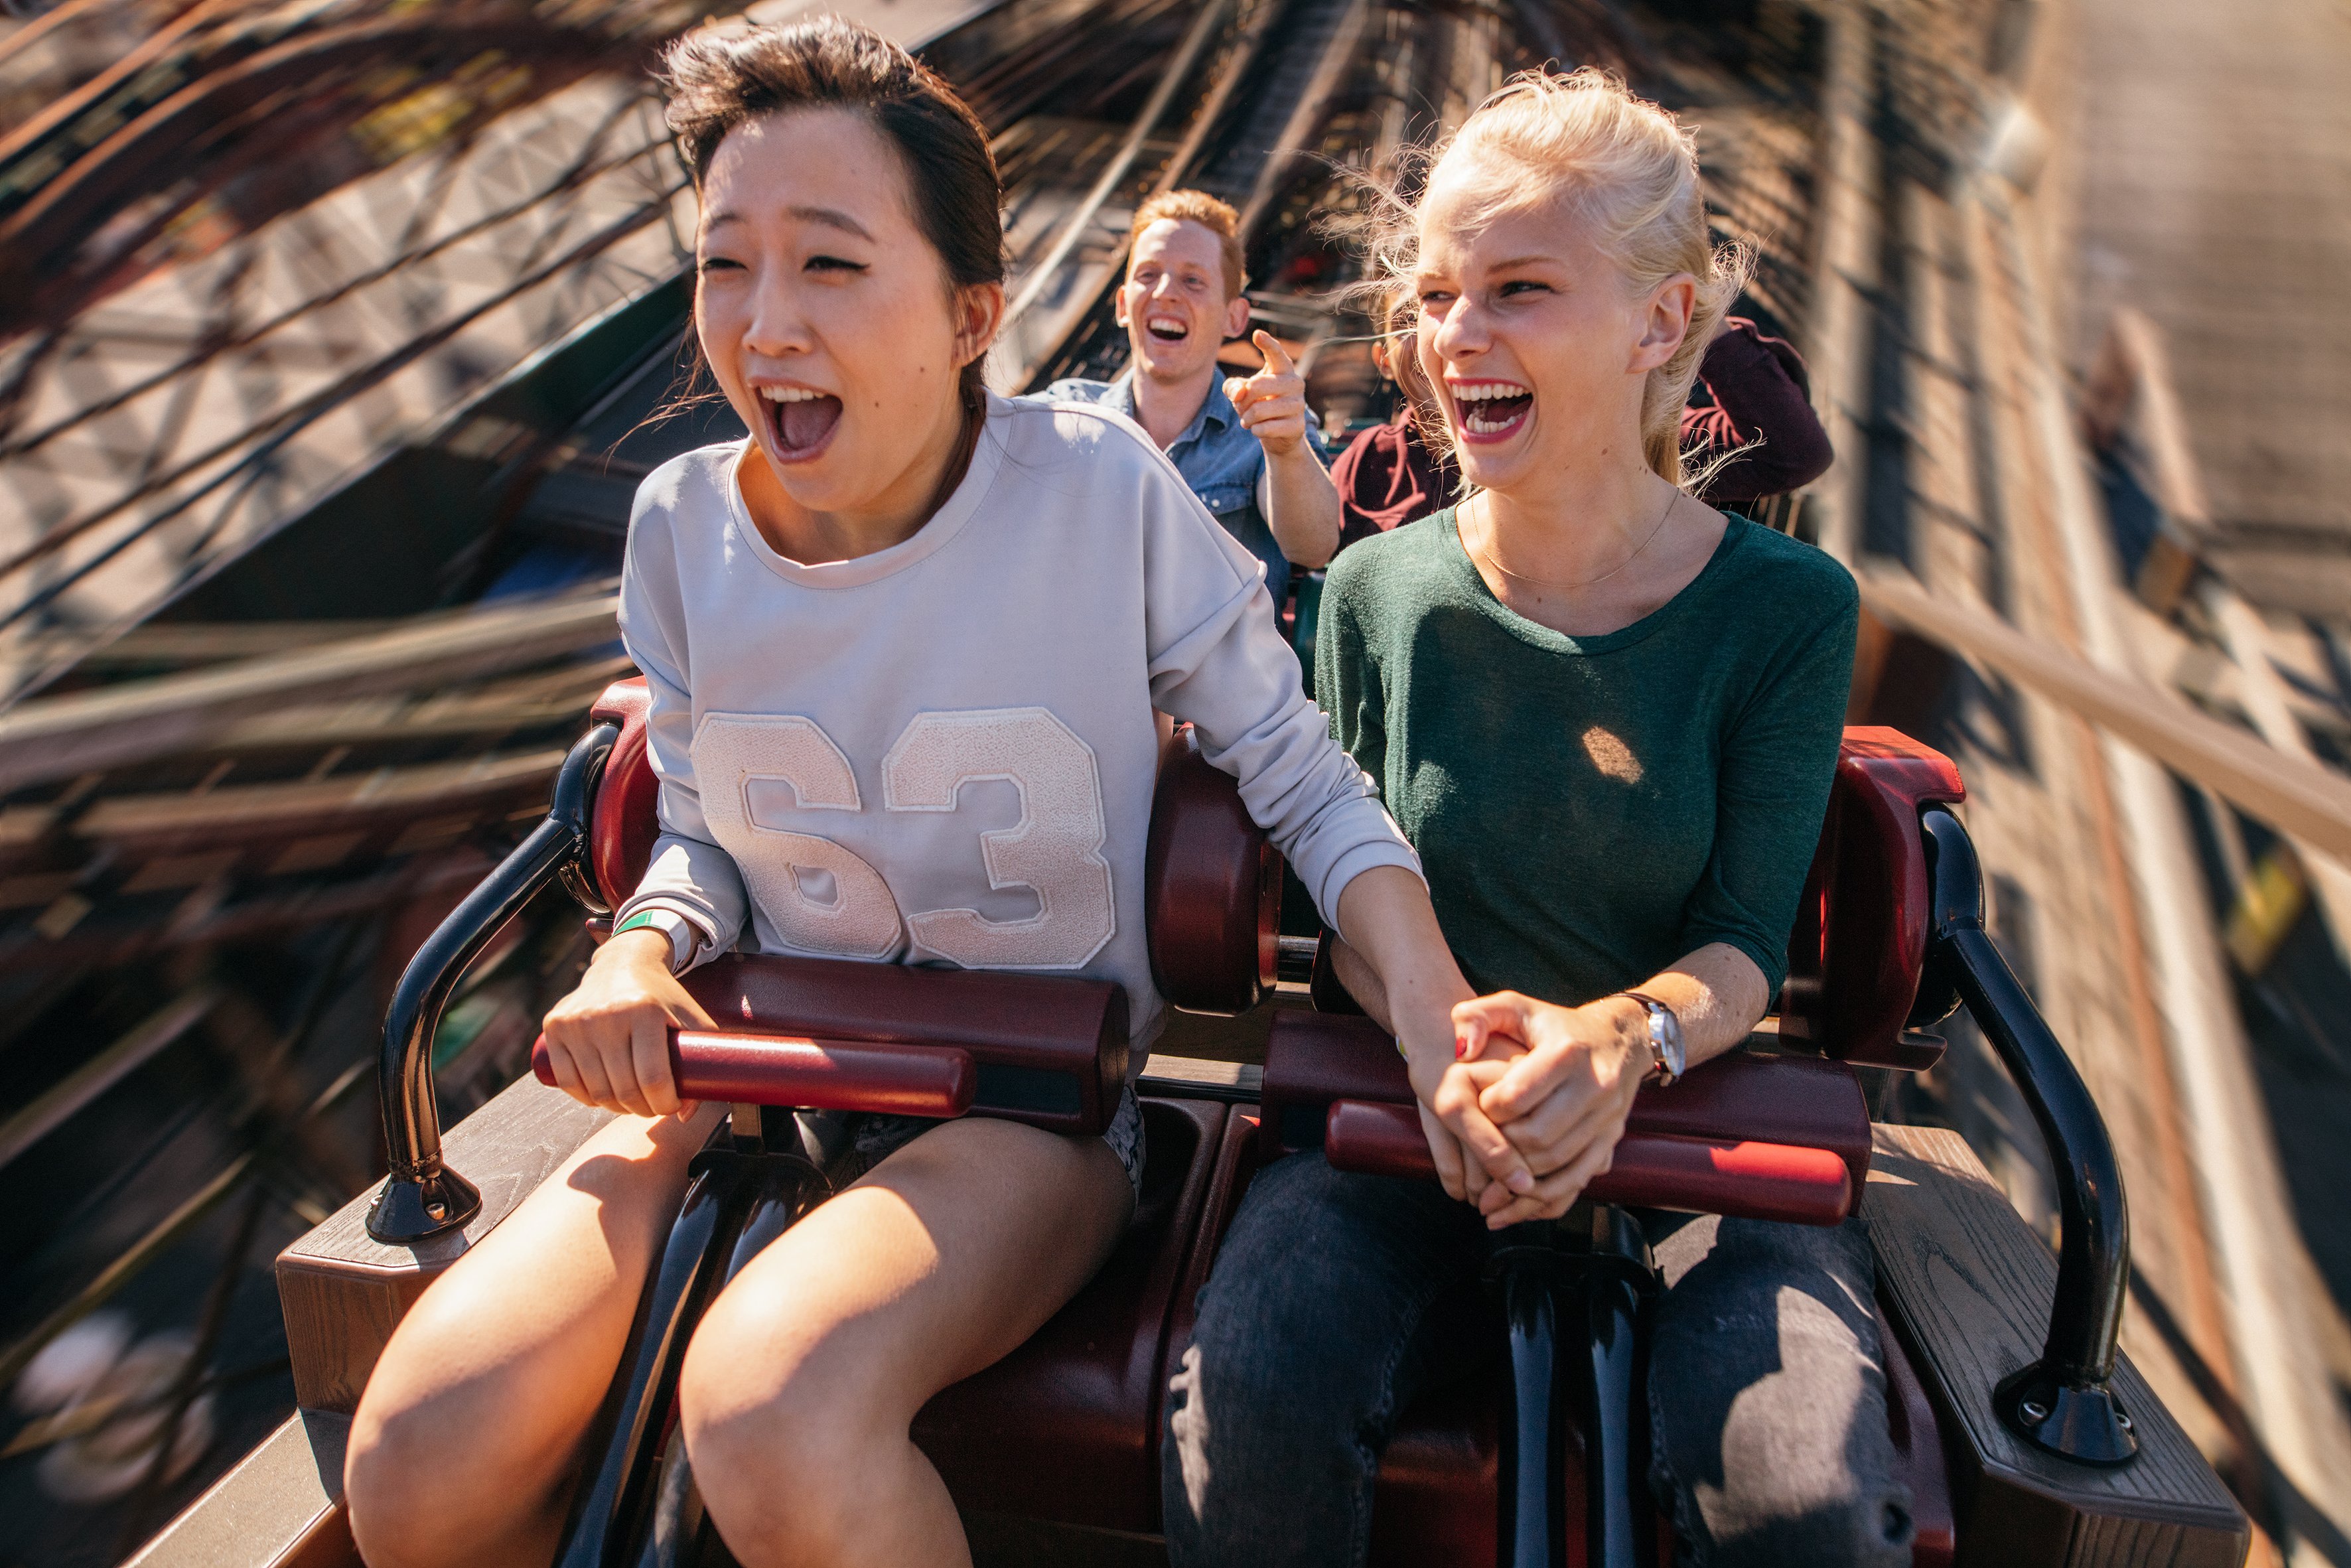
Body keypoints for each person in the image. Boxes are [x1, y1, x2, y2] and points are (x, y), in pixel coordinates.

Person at [340, 22, 1507, 1568]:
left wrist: (1434, 1011)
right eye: (725, 265)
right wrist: (636, 950)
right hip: (755, 1064)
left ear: (970, 315)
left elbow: (1301, 777)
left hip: (1033, 1103)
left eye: (827, 265)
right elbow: (701, 828)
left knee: (769, 1403)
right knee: (416, 1460)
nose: (763, 326)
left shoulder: (1098, 498)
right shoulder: (680, 527)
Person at [1164, 68, 1906, 1568]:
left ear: (1657, 320)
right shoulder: (1375, 591)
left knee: (1798, 1496)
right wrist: (1463, 1061)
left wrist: (1617, 1041)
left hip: (1689, 1112)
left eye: (1516, 291)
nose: (1454, 340)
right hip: (1417, 1110)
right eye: (1437, 296)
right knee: (1248, 1402)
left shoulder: (1785, 608)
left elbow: (1747, 942)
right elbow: (1349, 901)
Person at [1330, 295, 1833, 545]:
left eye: (1506, 300)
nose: (1451, 337)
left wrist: (1694, 310)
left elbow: (1786, 450)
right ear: (1382, 359)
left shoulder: (1613, 441)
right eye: (1428, 303)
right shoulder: (1371, 461)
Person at [1039, 190, 1343, 599]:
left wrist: (1286, 451)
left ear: (1234, 317)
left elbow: (1314, 547)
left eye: (1193, 280)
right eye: (1148, 274)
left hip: (1214, 663)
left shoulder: (1263, 422)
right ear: (1123, 304)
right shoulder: (1068, 410)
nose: (1165, 291)